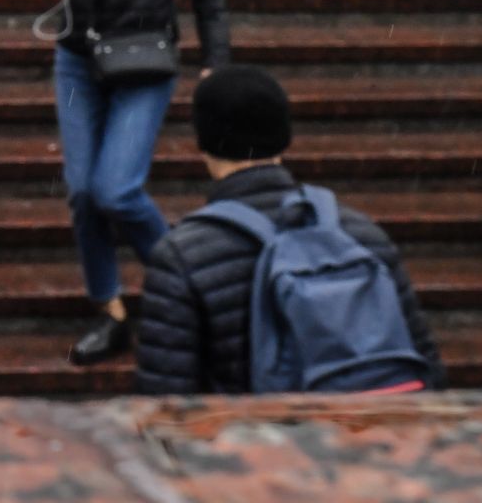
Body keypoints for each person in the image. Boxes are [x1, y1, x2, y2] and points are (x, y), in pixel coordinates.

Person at [45, 0, 231, 366]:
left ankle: (192, 287)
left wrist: (215, 56)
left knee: (117, 189)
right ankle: (111, 312)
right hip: (78, 54)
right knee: (82, 191)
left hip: (143, 54)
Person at [135, 67, 443, 394]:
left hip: (256, 440)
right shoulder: (361, 234)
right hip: (370, 438)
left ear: (204, 142)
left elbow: (165, 403)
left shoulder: (181, 257)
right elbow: (427, 368)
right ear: (284, 136)